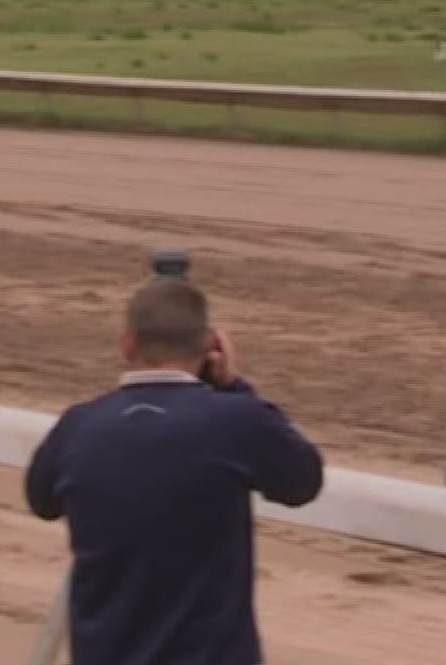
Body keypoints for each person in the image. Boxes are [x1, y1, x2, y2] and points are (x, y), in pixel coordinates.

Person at [25, 276, 324, 665]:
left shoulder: (79, 425)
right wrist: (234, 386)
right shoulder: (235, 421)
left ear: (127, 345)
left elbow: (41, 500)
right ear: (208, 346)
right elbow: (303, 481)